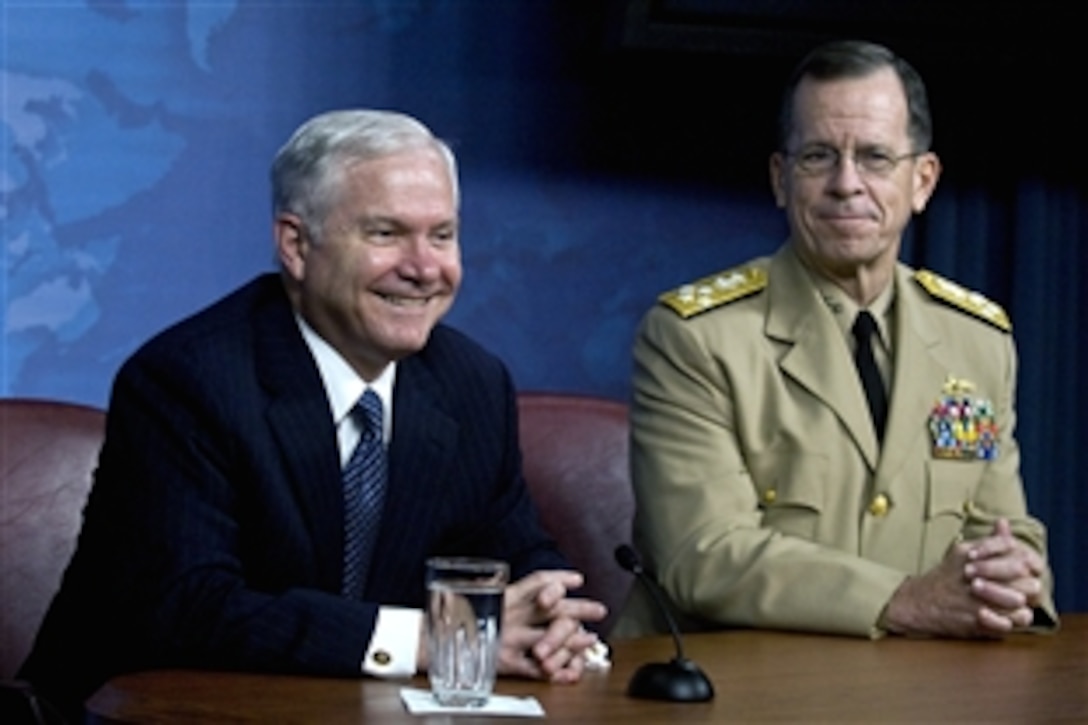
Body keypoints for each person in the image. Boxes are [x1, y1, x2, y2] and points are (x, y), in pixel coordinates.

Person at [19, 109, 606, 720]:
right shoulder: (188, 381)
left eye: (442, 235)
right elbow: (191, 607)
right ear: (296, 245)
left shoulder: (471, 383)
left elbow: (516, 554)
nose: (425, 268)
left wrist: (549, 616)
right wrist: (434, 639)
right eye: (386, 234)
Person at [614, 40, 1057, 641]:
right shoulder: (696, 339)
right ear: (780, 177)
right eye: (819, 157)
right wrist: (904, 600)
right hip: (733, 689)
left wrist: (1014, 575)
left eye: (875, 157)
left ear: (922, 181)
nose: (846, 184)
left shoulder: (976, 340)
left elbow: (1005, 529)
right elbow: (702, 555)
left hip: (923, 689)